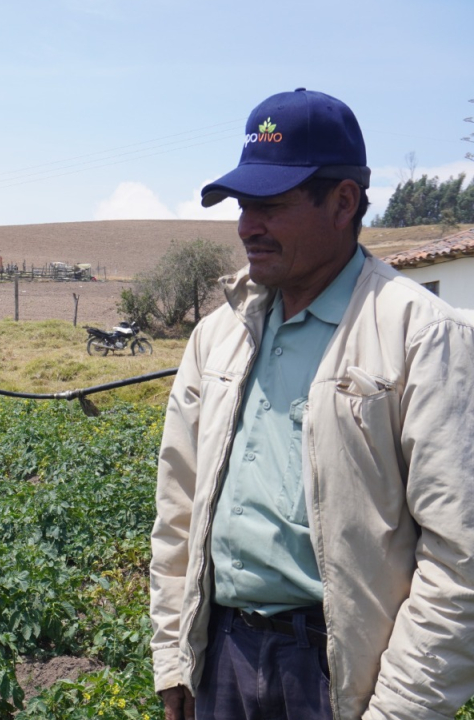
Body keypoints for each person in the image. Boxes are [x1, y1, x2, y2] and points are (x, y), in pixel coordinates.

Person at [149, 88, 474, 720]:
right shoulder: (217, 337)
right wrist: (175, 656)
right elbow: (178, 514)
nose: (247, 226)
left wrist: (399, 710)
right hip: (225, 656)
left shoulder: (421, 334)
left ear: (343, 202)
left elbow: (459, 556)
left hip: (340, 674)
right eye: (244, 205)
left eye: (270, 204)